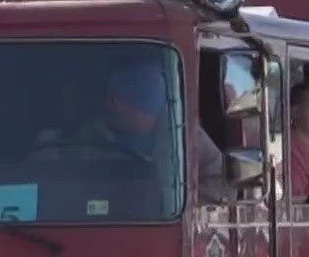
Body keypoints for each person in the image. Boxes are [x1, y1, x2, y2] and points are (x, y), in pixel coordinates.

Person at [33, 63, 196, 214]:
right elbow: (49, 192)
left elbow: (215, 182)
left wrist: (189, 208)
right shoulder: (78, 141)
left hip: (162, 230)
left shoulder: (185, 135)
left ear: (114, 100)